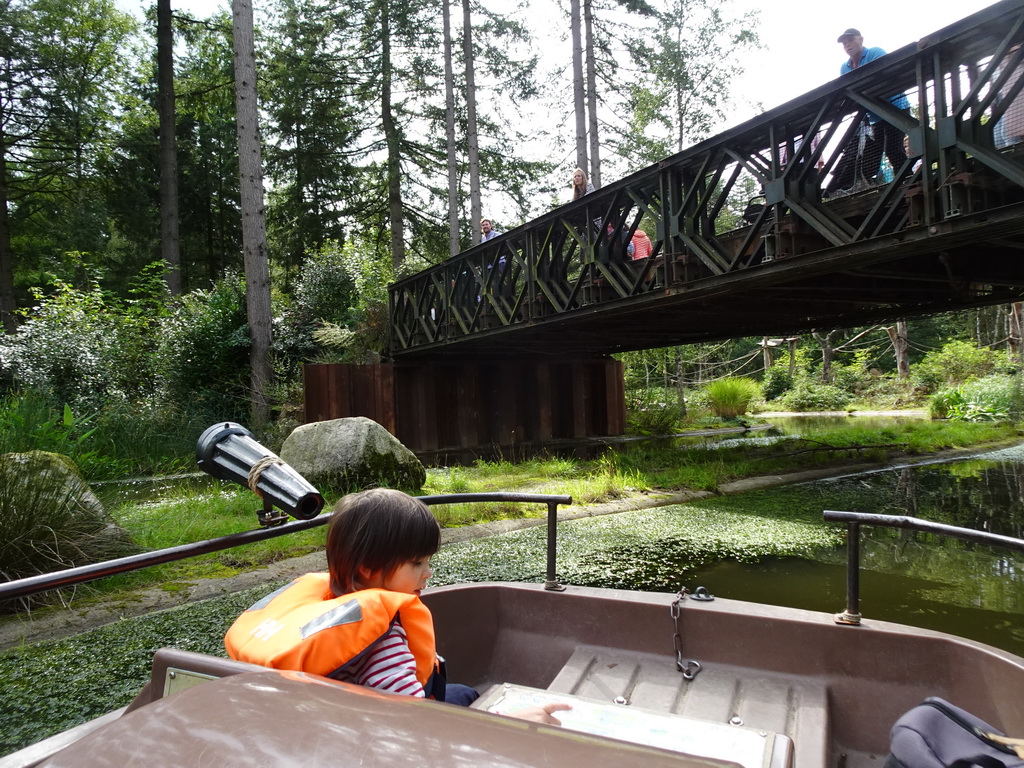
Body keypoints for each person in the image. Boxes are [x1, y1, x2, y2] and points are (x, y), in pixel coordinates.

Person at [225, 488, 570, 723]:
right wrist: (504, 723)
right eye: (417, 563)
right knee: (468, 699)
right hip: (376, 729)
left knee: (461, 691)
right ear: (368, 569)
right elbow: (412, 722)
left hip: (328, 717)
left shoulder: (332, 606)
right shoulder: (384, 642)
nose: (428, 573)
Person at [827, 29, 910, 194]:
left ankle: (907, 180)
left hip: (895, 108)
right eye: (844, 43)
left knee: (893, 147)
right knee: (881, 150)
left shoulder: (875, 53)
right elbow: (849, 92)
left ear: (861, 39)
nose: (847, 45)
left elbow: (885, 77)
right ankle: (905, 178)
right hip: (874, 116)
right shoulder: (845, 68)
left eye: (850, 40)